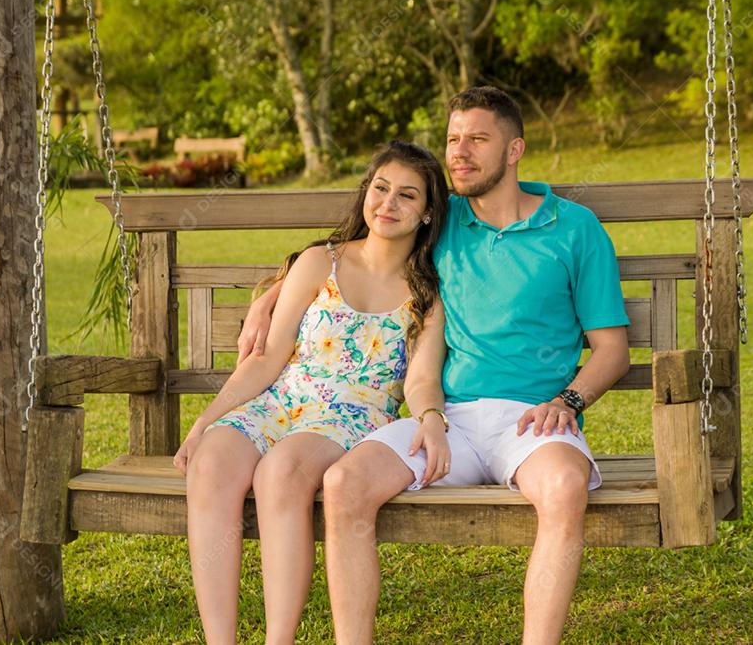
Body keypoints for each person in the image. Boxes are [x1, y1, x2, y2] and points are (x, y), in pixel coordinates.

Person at [241, 86, 631, 645]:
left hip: (534, 422)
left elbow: (611, 349)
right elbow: (356, 249)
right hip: (448, 421)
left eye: (477, 139)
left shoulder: (575, 229)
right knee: (345, 482)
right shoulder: (440, 224)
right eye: (453, 139)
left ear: (514, 149)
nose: (460, 153)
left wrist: (568, 402)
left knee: (566, 489)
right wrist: (275, 290)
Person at [173, 140, 450, 645]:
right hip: (282, 400)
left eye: (407, 196)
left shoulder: (426, 294)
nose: (388, 204)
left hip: (353, 417)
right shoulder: (320, 262)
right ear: (366, 193)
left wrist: (430, 415)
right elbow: (268, 355)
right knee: (212, 459)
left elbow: (422, 377)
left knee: (282, 472)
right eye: (380, 188)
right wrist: (205, 420)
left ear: (428, 213)